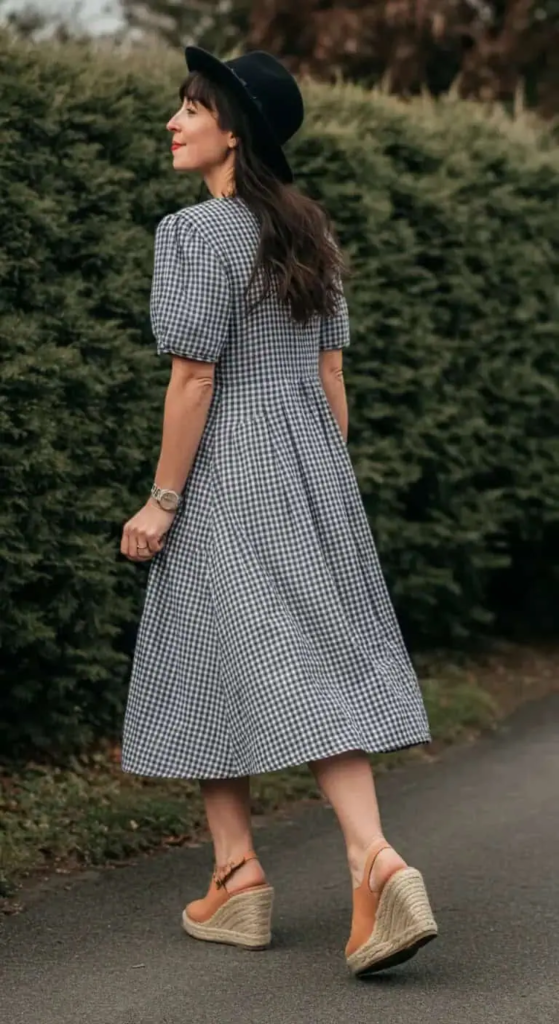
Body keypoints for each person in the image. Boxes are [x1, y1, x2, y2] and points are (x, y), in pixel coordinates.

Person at [119, 45, 438, 978]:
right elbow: (332, 377)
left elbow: (193, 376)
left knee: (250, 651)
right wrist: (318, 478)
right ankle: (251, 875)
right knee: (251, 647)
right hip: (310, 459)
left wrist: (162, 498)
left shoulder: (195, 233)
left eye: (190, 108)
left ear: (232, 130)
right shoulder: (310, 232)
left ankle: (359, 863)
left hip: (226, 463)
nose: (174, 123)